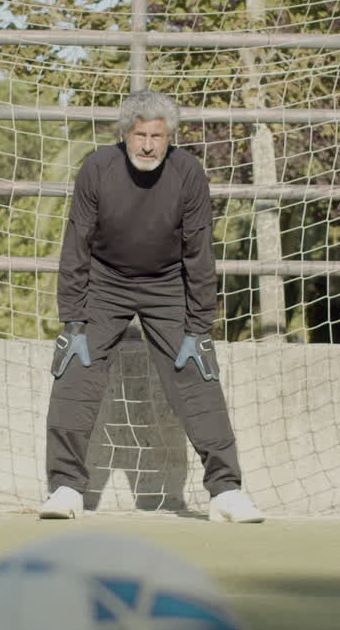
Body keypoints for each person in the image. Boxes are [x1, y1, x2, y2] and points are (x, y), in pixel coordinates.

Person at [39, 89, 264, 523]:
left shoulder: (188, 172)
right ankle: (65, 487)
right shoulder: (97, 168)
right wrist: (74, 318)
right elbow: (76, 243)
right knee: (75, 373)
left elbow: (199, 251)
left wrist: (199, 327)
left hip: (167, 283)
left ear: (169, 137)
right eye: (140, 135)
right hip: (105, 282)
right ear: (125, 134)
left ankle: (226, 491)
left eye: (156, 136)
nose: (147, 145)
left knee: (198, 376)